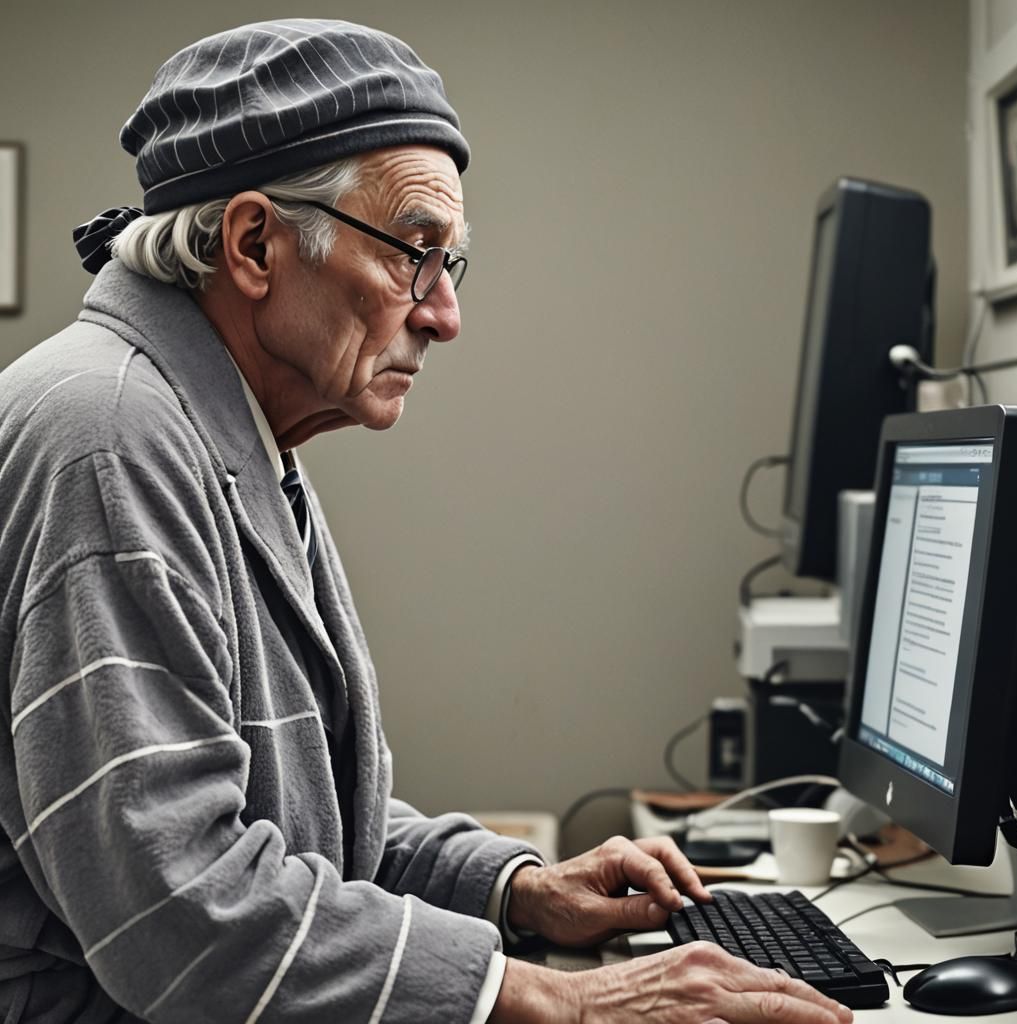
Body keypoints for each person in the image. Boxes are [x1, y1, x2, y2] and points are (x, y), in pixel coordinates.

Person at [0, 18, 855, 1024]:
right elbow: (182, 915)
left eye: (452, 264)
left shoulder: (220, 429)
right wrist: (552, 997)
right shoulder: (108, 437)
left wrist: (514, 887)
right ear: (254, 244)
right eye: (414, 253)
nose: (444, 313)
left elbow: (310, 825)